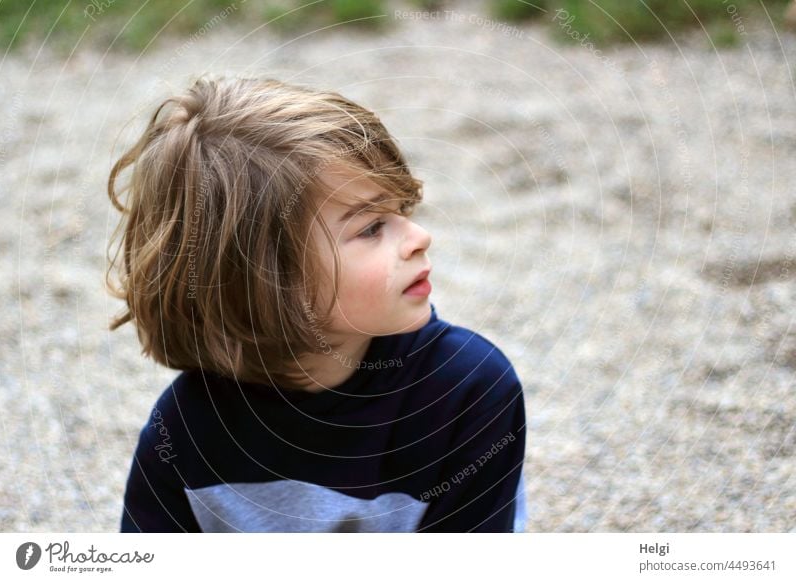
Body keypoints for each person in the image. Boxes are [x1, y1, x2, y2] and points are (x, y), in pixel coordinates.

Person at [109, 76, 527, 532]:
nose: (419, 237)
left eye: (402, 211)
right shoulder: (188, 427)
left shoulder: (466, 391)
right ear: (264, 279)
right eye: (371, 227)